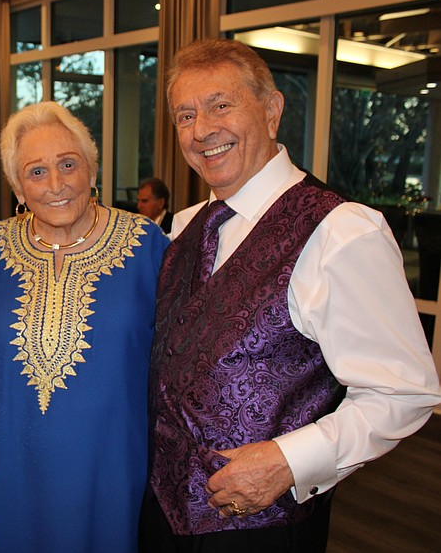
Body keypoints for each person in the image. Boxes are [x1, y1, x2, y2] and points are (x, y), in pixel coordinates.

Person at [141, 38, 441, 552]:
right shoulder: (185, 228)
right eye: (185, 115)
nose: (202, 129)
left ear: (272, 109)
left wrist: (289, 461)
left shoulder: (340, 232)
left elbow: (403, 391)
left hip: (262, 530)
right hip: (160, 518)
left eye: (221, 105)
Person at [0, 101, 170, 552]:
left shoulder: (146, 245)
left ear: (92, 170)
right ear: (17, 187)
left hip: (111, 468)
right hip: (9, 470)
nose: (57, 184)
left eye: (69, 164)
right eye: (37, 172)